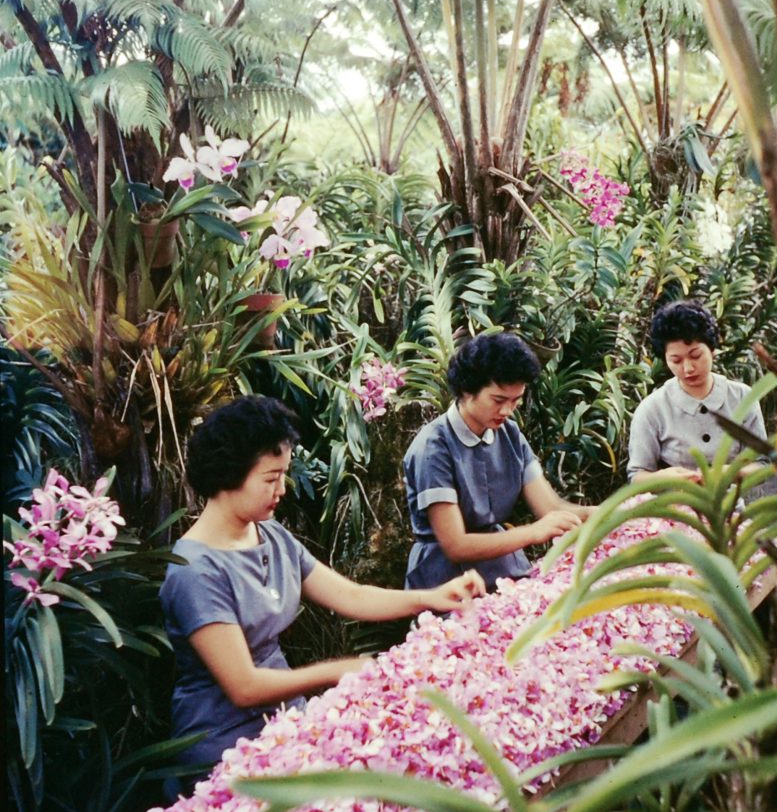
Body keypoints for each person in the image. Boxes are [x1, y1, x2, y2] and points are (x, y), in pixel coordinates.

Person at [160, 395, 484, 782]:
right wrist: (336, 671)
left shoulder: (272, 536)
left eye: (283, 474)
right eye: (270, 478)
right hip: (222, 744)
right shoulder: (195, 571)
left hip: (283, 721)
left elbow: (349, 595)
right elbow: (244, 686)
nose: (282, 488)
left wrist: (429, 597)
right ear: (228, 475)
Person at [403, 332, 594, 592]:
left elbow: (551, 507)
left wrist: (610, 513)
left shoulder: (510, 434)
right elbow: (456, 546)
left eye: (516, 401)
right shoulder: (433, 447)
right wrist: (533, 532)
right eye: (498, 400)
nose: (507, 411)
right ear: (467, 390)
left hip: (504, 569)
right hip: (446, 581)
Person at [627, 300, 767, 482]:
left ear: (712, 349)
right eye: (676, 360)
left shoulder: (742, 397)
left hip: (729, 507)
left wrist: (729, 472)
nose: (688, 368)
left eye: (696, 356)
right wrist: (663, 478)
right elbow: (637, 475)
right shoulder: (652, 409)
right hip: (670, 508)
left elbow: (762, 464)